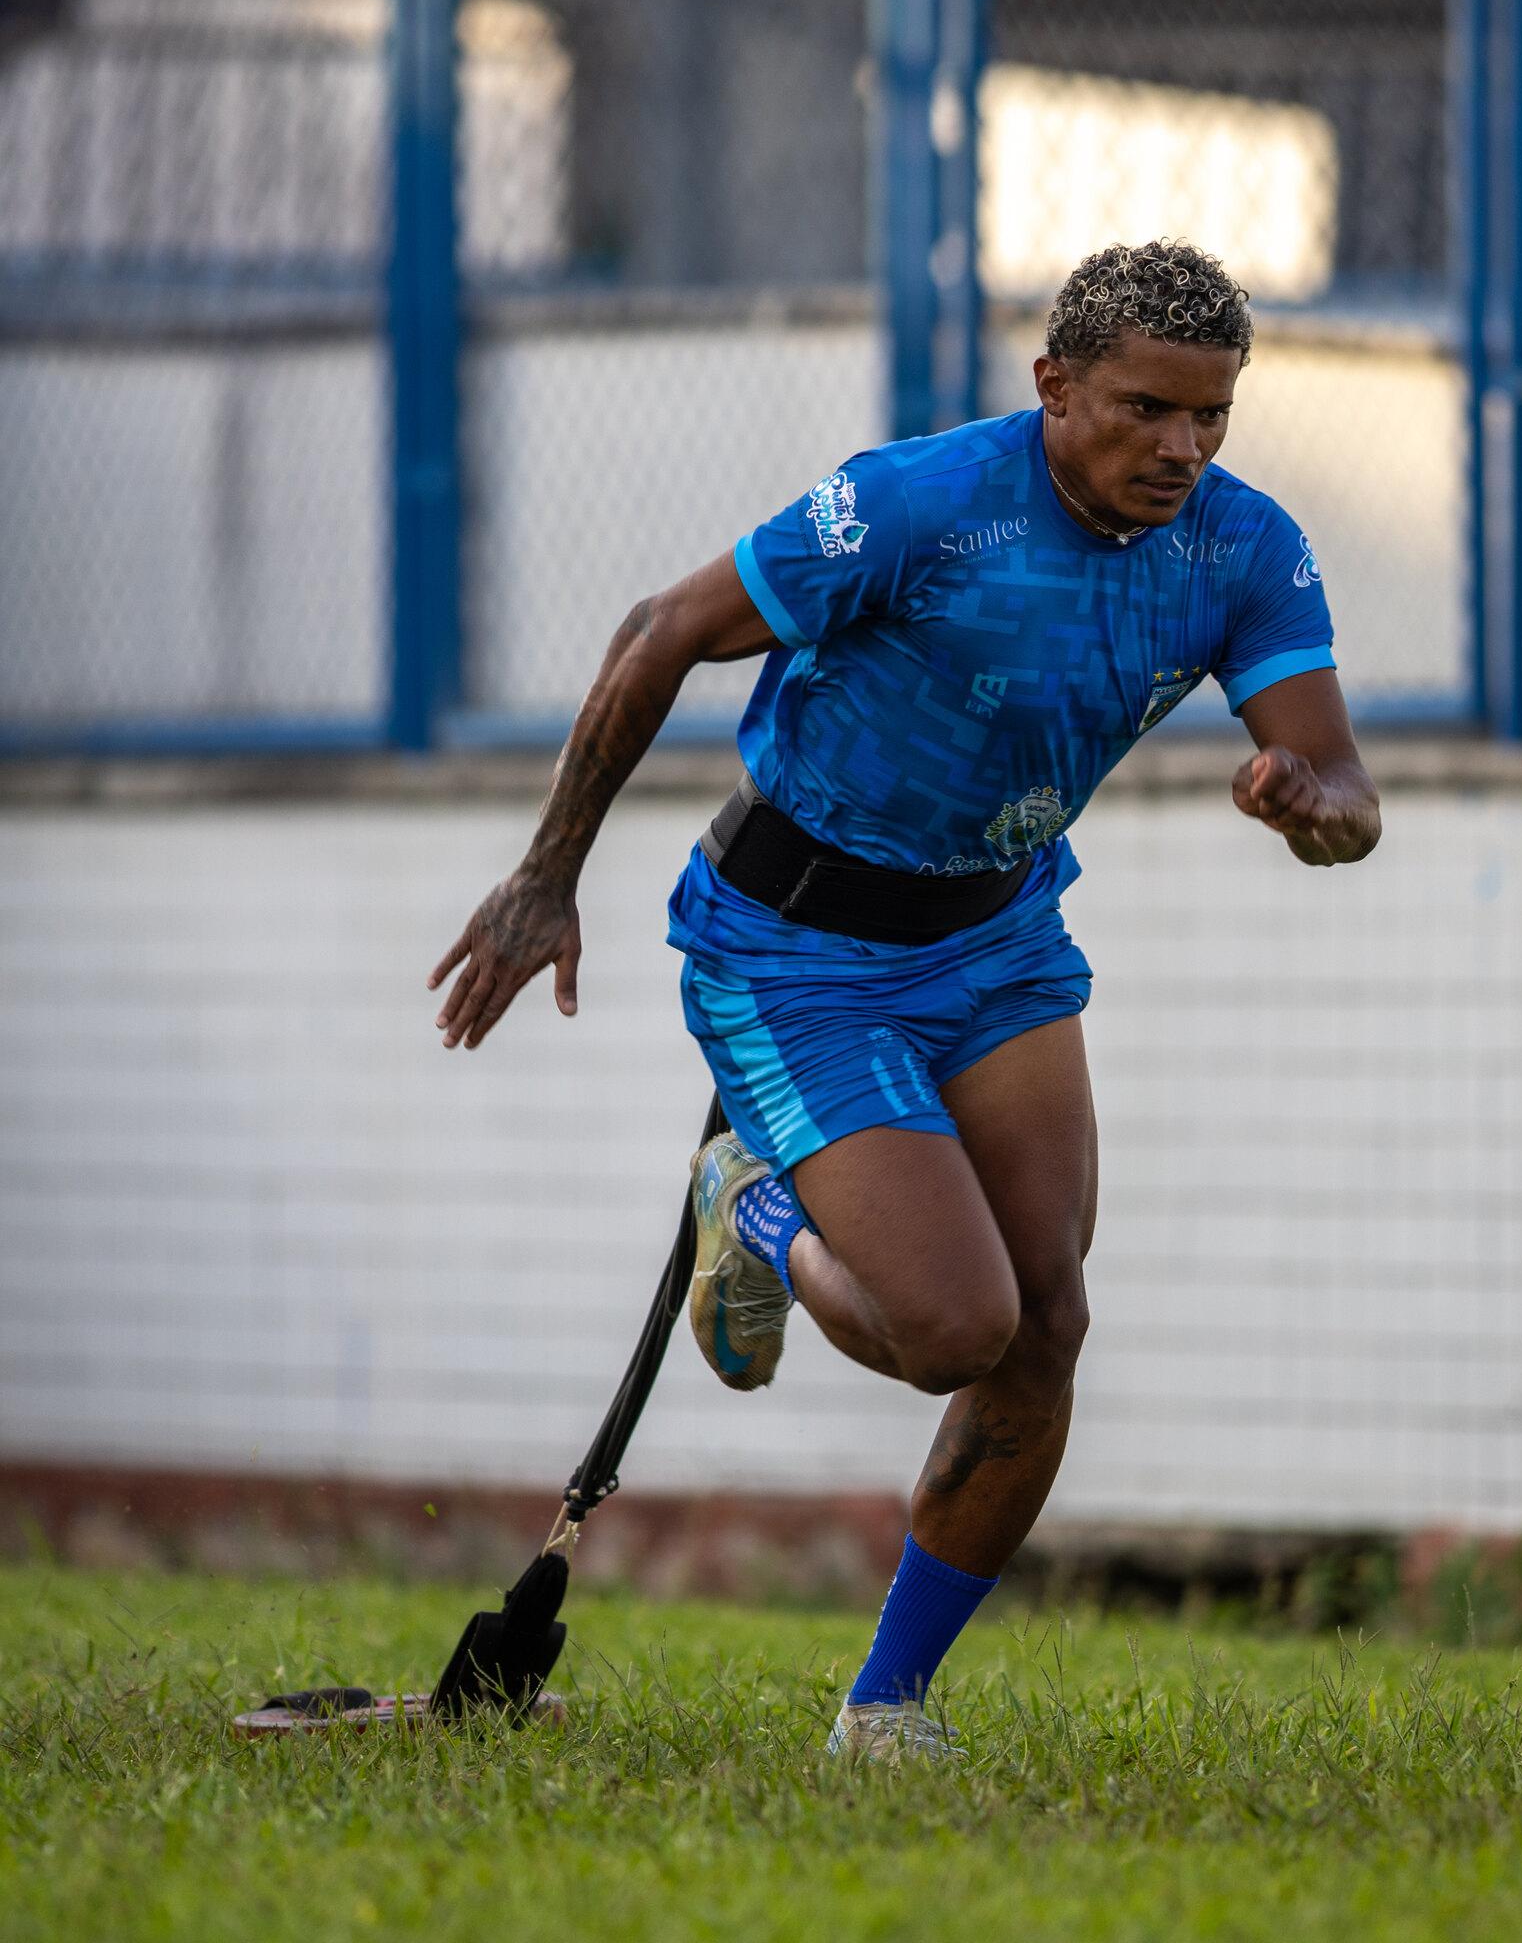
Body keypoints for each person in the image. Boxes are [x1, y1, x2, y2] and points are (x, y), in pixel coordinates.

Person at [427, 240, 1381, 1762]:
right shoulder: (918, 504)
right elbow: (660, 631)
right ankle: (752, 1208)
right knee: (952, 1329)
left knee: (1046, 1324)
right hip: (792, 951)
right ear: (1054, 386)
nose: (1182, 448)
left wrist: (1315, 807)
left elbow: (1343, 786)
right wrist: (547, 876)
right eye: (1145, 409)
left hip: (995, 939)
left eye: (1211, 415)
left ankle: (884, 1709)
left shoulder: (1241, 547)